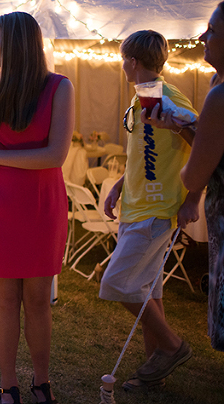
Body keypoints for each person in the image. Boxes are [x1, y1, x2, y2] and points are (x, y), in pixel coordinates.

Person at [0, 11, 74, 404]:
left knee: (38, 299)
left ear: (17, 43)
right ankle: (8, 387)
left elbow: (55, 156)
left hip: (41, 203)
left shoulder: (59, 87)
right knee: (4, 299)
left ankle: (42, 384)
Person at [99, 30, 199, 392]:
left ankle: (172, 347)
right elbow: (145, 151)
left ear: (133, 61)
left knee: (118, 284)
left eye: (123, 58)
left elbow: (203, 140)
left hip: (157, 209)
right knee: (149, 293)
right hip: (136, 206)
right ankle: (151, 373)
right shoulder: (143, 96)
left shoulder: (167, 96)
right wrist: (120, 185)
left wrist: (193, 198)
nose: (121, 63)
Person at [180, 2, 224, 352]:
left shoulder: (220, 96)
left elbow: (195, 175)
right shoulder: (215, 84)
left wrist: (183, 171)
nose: (202, 36)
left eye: (211, 29)